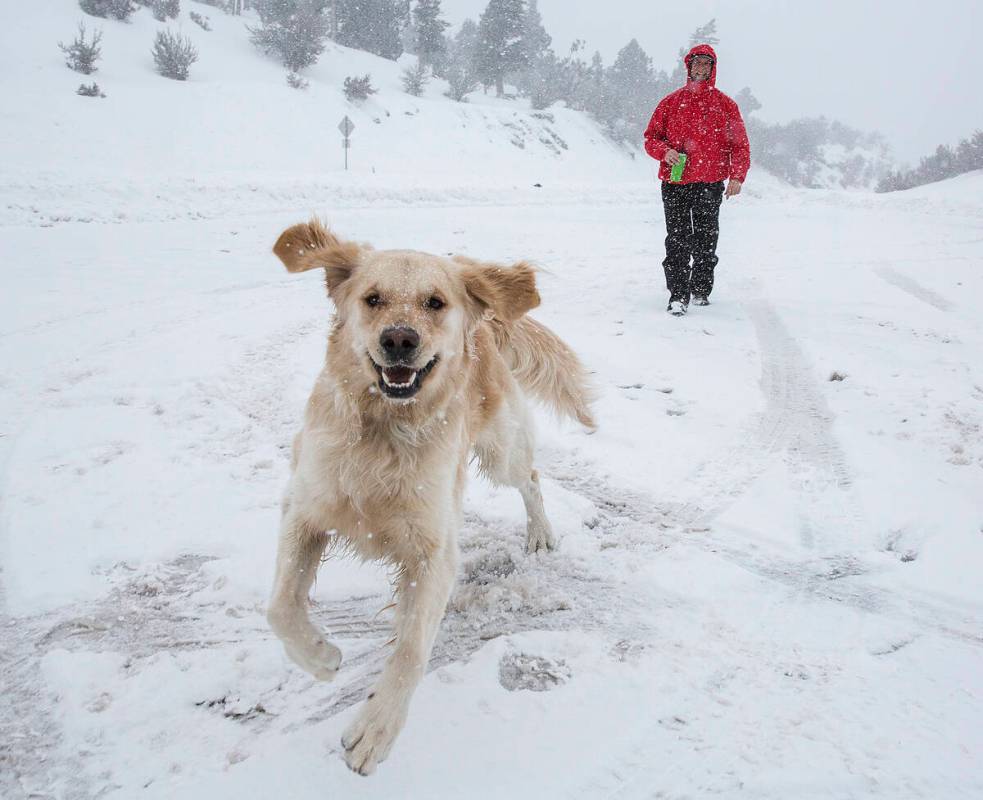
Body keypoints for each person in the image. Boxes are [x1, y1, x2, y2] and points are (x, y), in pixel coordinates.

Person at [644, 44, 750, 316]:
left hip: (710, 182)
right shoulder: (670, 102)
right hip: (675, 183)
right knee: (677, 239)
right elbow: (650, 138)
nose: (701, 68)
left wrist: (737, 176)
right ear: (688, 67)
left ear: (713, 69)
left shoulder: (725, 105)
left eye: (706, 64)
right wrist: (665, 152)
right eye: (696, 63)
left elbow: (740, 145)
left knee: (705, 239)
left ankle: (701, 288)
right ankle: (678, 295)